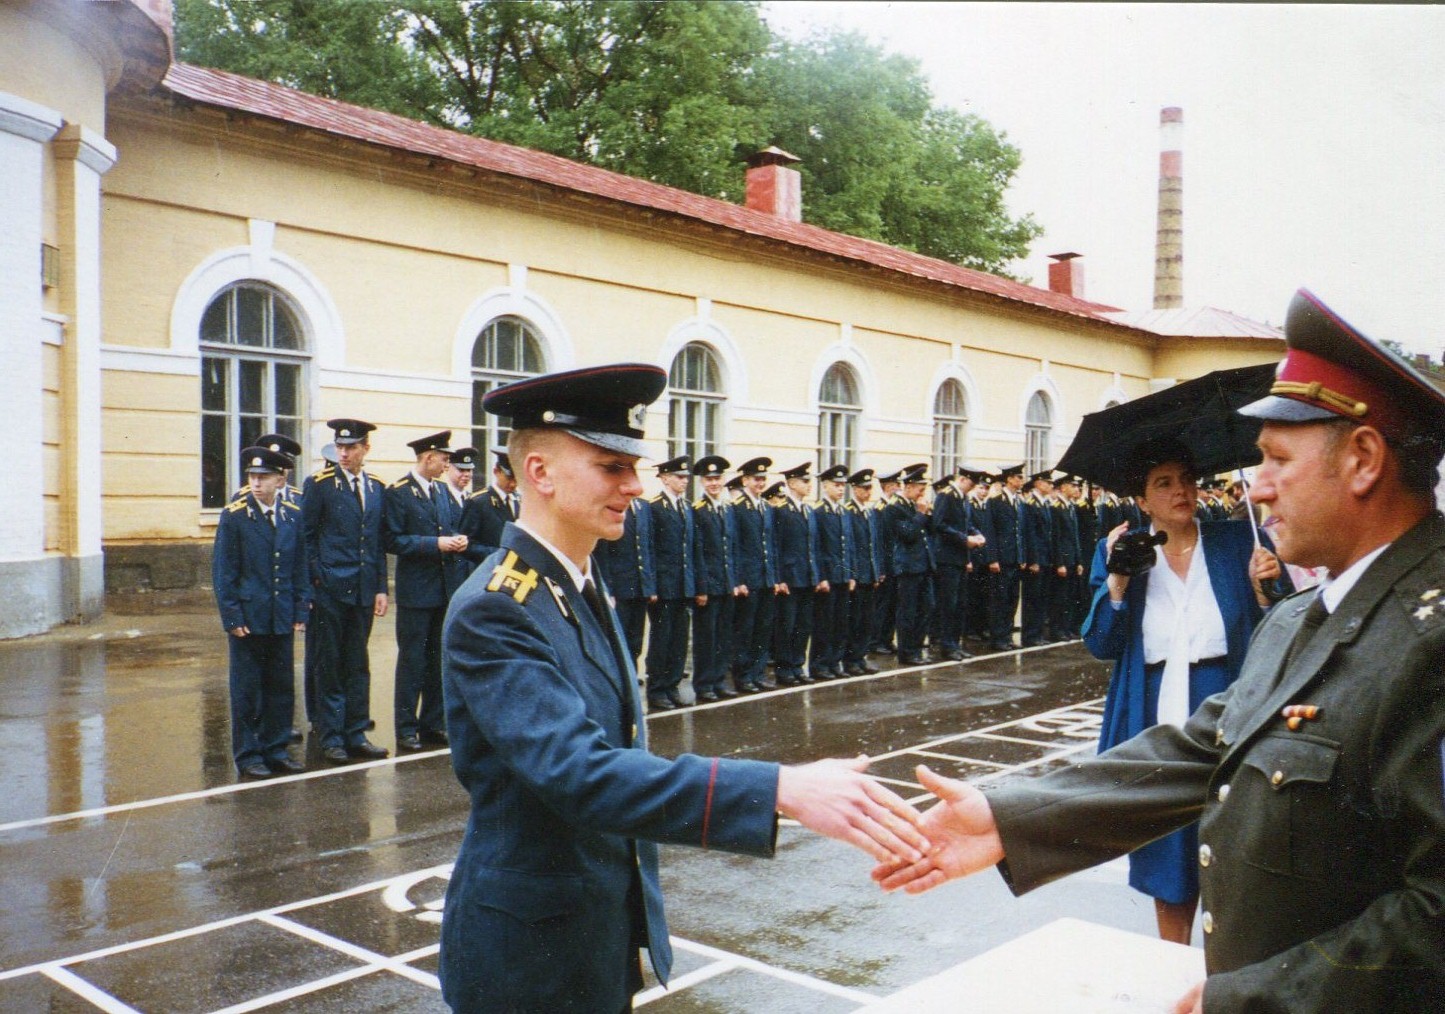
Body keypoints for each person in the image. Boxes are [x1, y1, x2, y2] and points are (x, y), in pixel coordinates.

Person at [873, 289, 1445, 1012]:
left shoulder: (1430, 645)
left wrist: (1246, 1000)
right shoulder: (1304, 618)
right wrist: (1007, 816)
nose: (1258, 488)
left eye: (1273, 459)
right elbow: (1203, 749)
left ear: (1362, 459)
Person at [438, 363, 928, 1013]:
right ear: (540, 473)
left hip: (587, 932)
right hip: (527, 958)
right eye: (611, 467)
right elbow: (580, 773)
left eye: (632, 467)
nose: (634, 486)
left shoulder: (575, 581)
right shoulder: (498, 606)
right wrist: (779, 789)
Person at [1086, 435, 1287, 943]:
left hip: (1226, 693)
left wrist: (1265, 587)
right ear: (1142, 499)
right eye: (1164, 483)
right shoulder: (1119, 549)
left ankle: (1225, 966)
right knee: (1169, 843)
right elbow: (1101, 644)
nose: (1181, 491)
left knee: (1234, 827)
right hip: (1154, 707)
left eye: (1187, 480)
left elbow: (1279, 623)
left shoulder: (1238, 541)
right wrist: (1117, 581)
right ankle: (1172, 961)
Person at [213, 446, 309, 779]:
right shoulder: (236, 515)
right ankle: (249, 754)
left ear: (281, 479)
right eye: (252, 477)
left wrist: (300, 609)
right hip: (250, 619)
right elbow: (224, 572)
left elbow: (299, 565)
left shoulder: (292, 513)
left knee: (280, 688)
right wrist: (232, 617)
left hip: (280, 615)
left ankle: (276, 748)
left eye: (264, 477)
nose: (256, 483)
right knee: (247, 690)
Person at [302, 418, 389, 765]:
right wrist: (317, 579)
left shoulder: (376, 487)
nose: (344, 453)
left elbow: (377, 541)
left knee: (357, 662)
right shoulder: (320, 485)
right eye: (340, 446)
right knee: (330, 664)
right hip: (331, 589)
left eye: (351, 447)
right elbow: (307, 537)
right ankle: (332, 736)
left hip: (363, 589)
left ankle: (356, 733)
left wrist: (381, 587)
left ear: (365, 449)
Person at [386, 430, 468, 751]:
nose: (448, 464)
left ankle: (433, 722)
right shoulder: (400, 493)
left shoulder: (443, 493)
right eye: (444, 459)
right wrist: (435, 544)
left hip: (443, 590)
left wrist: (458, 540)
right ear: (428, 457)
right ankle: (406, 727)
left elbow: (453, 527)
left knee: (437, 660)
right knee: (412, 661)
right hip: (416, 592)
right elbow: (393, 540)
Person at [644, 455, 696, 710]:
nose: (684, 481)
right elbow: (649, 548)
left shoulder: (685, 507)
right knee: (662, 637)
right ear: (665, 478)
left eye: (686, 477)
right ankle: (657, 689)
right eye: (679, 476)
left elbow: (690, 549)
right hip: (664, 586)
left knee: (678, 638)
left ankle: (673, 685)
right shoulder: (654, 507)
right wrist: (651, 585)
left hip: (682, 584)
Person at [689, 455, 739, 702]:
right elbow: (697, 551)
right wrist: (701, 587)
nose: (714, 483)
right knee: (706, 638)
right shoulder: (698, 510)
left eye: (717, 479)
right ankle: (704, 684)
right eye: (709, 480)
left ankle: (718, 681)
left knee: (723, 637)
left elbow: (733, 548)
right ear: (701, 482)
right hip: (709, 584)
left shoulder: (727, 509)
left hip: (726, 584)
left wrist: (735, 581)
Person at [729, 456, 777, 693]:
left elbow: (772, 545)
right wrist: (738, 580)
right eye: (756, 479)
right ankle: (743, 675)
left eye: (762, 479)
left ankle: (758, 673)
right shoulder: (738, 509)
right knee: (745, 630)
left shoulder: (765, 507)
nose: (760, 483)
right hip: (749, 579)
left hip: (766, 578)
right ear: (745, 480)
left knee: (763, 628)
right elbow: (734, 547)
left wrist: (775, 577)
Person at [771, 462, 820, 686]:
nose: (809, 485)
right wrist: (779, 578)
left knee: (803, 625)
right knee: (787, 625)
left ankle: (798, 665)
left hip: (807, 576)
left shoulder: (808, 510)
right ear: (791, 483)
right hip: (789, 577)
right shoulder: (781, 510)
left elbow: (813, 546)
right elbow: (775, 546)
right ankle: (784, 669)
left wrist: (816, 575)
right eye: (804, 481)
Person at [593, 490, 654, 664]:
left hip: (639, 585)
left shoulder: (643, 506)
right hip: (619, 587)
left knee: (636, 640)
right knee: (619, 640)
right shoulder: (612, 506)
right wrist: (608, 589)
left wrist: (649, 584)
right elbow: (603, 553)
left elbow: (647, 547)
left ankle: (632, 677)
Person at [809, 464, 855, 680]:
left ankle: (834, 662)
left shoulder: (843, 511)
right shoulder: (818, 511)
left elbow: (849, 545)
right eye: (836, 485)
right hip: (828, 577)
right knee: (824, 624)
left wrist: (851, 574)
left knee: (840, 623)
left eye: (842, 486)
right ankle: (820, 664)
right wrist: (821, 577)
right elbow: (816, 547)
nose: (840, 489)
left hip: (843, 576)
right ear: (825, 486)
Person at [888, 465, 936, 666]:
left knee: (926, 607)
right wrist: (921, 514)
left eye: (924, 489)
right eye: (919, 488)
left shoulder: (916, 507)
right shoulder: (895, 507)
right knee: (908, 610)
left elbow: (930, 531)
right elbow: (908, 534)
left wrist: (927, 514)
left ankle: (916, 647)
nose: (922, 493)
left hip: (923, 564)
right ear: (907, 487)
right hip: (908, 566)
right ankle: (907, 651)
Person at [843, 469, 883, 676]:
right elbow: (849, 546)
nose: (868, 492)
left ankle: (860, 657)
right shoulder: (848, 511)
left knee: (867, 619)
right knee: (855, 619)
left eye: (870, 488)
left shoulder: (869, 512)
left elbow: (873, 545)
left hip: (869, 574)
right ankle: (850, 659)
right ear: (855, 489)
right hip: (857, 575)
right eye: (864, 488)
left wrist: (877, 572)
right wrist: (851, 574)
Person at [985, 463, 1026, 652]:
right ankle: (998, 637)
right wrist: (992, 558)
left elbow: (1021, 532)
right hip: (1002, 558)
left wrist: (1023, 555)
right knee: (999, 599)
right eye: (1018, 477)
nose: (1021, 481)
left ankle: (1007, 635)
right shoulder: (995, 502)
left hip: (1015, 558)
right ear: (1009, 479)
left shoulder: (1019, 502)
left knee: (1012, 598)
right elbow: (990, 532)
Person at [457, 449, 518, 558]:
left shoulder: (518, 501)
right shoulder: (478, 502)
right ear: (496, 471)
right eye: (509, 478)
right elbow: (466, 545)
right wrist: (499, 554)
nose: (513, 484)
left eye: (517, 478)